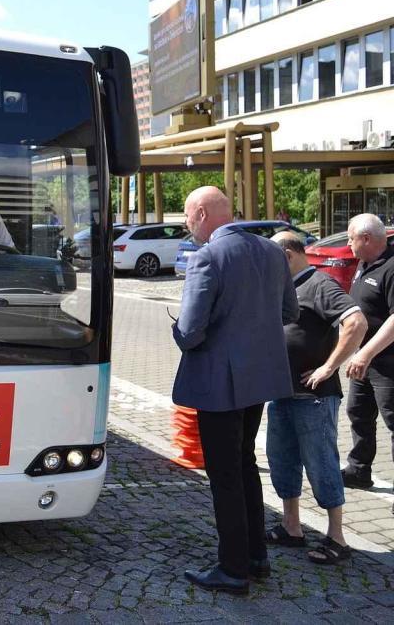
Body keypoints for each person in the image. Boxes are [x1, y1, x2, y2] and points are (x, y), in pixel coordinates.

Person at [172, 186, 298, 594]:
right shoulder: (272, 251)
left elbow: (190, 333)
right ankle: (256, 556)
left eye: (189, 217)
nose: (188, 225)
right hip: (258, 379)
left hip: (219, 383)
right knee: (244, 463)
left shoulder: (207, 256)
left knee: (225, 474)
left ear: (204, 214)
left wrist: (177, 327)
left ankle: (233, 568)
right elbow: (288, 312)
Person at [267, 232, 366, 564]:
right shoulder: (285, 288)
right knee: (282, 462)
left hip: (313, 398)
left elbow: (356, 322)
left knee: (321, 465)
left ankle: (337, 538)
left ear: (287, 255)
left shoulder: (319, 285)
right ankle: (292, 526)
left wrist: (327, 367)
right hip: (281, 393)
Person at [341, 213, 394, 510]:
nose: (347, 243)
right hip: (365, 360)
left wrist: (366, 353)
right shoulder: (364, 264)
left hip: (386, 362)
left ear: (366, 238)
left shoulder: (391, 267)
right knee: (358, 413)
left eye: (350, 238)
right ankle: (359, 470)